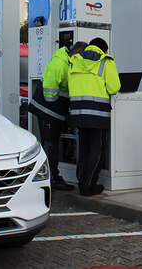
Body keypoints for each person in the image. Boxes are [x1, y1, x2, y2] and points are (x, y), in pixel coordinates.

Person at [28, 41, 87, 191]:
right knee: (51, 146)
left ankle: (51, 177)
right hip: (48, 111)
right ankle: (52, 179)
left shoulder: (64, 63)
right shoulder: (59, 64)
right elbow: (50, 92)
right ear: (77, 53)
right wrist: (57, 108)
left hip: (51, 111)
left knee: (52, 145)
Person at [68, 37, 120, 196]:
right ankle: (89, 185)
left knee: (83, 148)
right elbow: (114, 87)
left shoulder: (75, 60)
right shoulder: (106, 61)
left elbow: (69, 83)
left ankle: (81, 180)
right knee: (96, 149)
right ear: (104, 50)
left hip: (78, 112)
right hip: (97, 113)